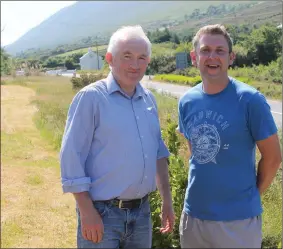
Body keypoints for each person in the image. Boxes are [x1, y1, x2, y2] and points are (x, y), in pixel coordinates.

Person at [60, 25, 175, 249]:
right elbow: (71, 158)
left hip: (141, 214)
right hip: (102, 214)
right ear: (110, 59)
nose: (135, 65)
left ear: (148, 62)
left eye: (142, 57)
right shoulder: (91, 98)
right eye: (127, 56)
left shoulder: (148, 100)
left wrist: (167, 201)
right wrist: (86, 211)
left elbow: (158, 154)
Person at [177, 24, 282, 248]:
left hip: (238, 222)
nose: (212, 56)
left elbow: (273, 158)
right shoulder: (186, 101)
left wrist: (250, 197)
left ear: (231, 57)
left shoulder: (251, 100)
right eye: (205, 50)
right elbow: (194, 151)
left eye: (220, 51)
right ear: (194, 57)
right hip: (193, 218)